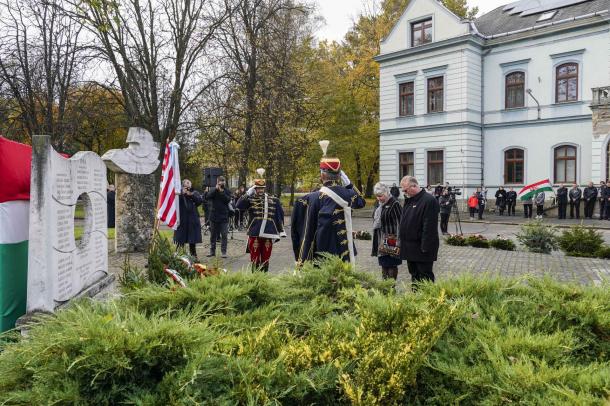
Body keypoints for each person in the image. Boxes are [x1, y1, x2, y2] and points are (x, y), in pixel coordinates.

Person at [291, 141, 366, 265]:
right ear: (339, 176)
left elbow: (304, 231)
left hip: (321, 255)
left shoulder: (310, 199)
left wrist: (301, 258)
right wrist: (349, 184)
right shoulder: (349, 194)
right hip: (345, 253)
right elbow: (361, 201)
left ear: (322, 175)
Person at [236, 169, 285, 272]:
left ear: (264, 188)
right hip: (255, 232)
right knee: (254, 258)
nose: (260, 191)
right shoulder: (250, 199)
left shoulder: (273, 199)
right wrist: (247, 193)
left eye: (262, 188)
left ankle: (264, 278)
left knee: (266, 258)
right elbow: (238, 206)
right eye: (258, 188)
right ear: (255, 188)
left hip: (268, 232)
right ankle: (255, 278)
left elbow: (280, 214)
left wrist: (280, 229)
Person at [399, 176, 439, 289]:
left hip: (422, 249)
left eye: (405, 190)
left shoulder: (429, 200)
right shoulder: (410, 200)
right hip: (410, 248)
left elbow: (429, 227)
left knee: (425, 278)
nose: (404, 193)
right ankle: (416, 300)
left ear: (414, 186)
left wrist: (425, 248)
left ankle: (428, 301)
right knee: (414, 276)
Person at [371, 182, 402, 281]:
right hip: (381, 239)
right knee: (384, 265)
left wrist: (398, 242)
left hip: (392, 240)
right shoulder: (380, 205)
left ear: (387, 193)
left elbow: (400, 223)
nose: (379, 198)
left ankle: (391, 289)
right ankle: (385, 288)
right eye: (377, 196)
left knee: (391, 265)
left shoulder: (394, 204)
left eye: (380, 196)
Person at [174, 179, 203, 258]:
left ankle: (193, 256)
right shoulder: (179, 193)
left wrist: (190, 195)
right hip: (182, 219)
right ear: (183, 184)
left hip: (192, 220)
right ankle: (178, 256)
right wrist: (182, 194)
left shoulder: (194, 192)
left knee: (192, 239)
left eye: (189, 182)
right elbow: (175, 203)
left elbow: (199, 201)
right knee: (181, 239)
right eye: (187, 182)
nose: (189, 184)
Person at [205, 176, 231, 258]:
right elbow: (208, 197)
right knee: (213, 235)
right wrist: (216, 190)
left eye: (223, 181)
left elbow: (227, 200)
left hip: (224, 217)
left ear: (224, 182)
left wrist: (221, 192)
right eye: (220, 181)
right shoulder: (213, 190)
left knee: (224, 235)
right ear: (217, 182)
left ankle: (224, 252)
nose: (221, 183)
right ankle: (212, 251)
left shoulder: (227, 190)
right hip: (214, 216)